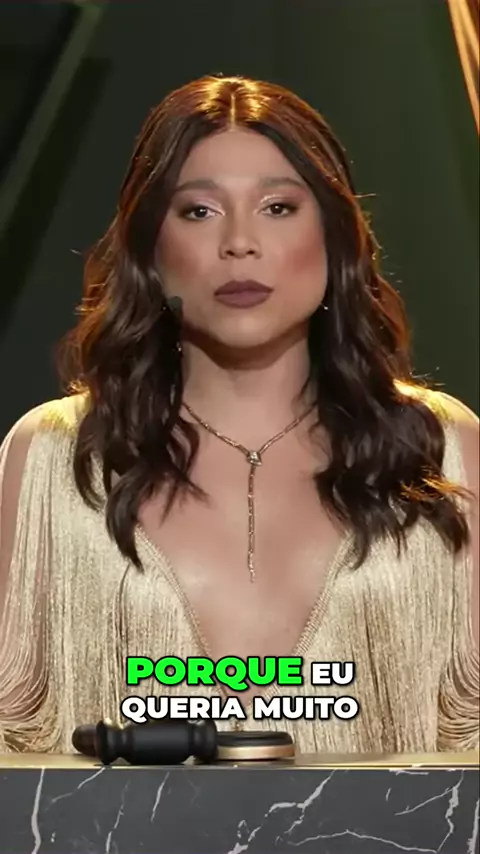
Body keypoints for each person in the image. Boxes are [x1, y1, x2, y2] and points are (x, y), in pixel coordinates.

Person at [0, 75, 478, 756]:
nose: (239, 243)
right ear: (151, 248)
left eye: (278, 207)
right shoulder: (51, 457)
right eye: (199, 211)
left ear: (334, 235)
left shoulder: (444, 449)